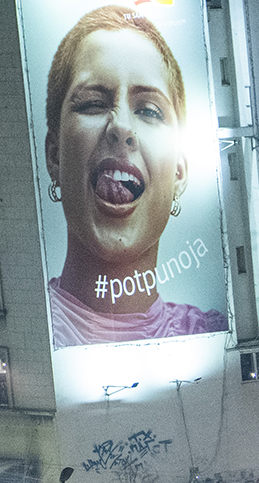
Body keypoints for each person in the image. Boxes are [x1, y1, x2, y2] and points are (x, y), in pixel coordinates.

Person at [41, 4, 228, 347]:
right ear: (54, 155)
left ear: (179, 171)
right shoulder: (25, 337)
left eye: (149, 110)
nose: (122, 127)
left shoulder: (214, 335)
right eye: (93, 104)